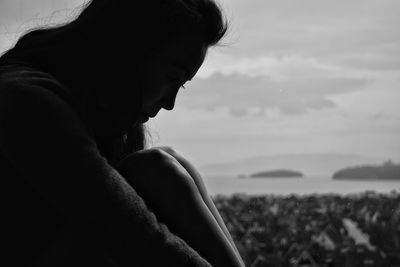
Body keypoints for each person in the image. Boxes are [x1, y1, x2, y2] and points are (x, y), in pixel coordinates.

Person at [0, 0, 245, 266]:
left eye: (181, 85)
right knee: (158, 170)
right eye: (172, 78)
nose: (170, 103)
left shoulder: (106, 115)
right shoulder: (25, 100)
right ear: (131, 51)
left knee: (169, 162)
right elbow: (130, 231)